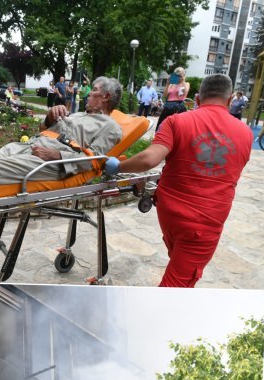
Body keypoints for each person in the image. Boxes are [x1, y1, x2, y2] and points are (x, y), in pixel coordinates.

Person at [105, 74, 253, 287]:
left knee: (177, 260)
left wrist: (119, 166)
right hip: (203, 225)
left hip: (169, 215)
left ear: (197, 99)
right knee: (175, 289)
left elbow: (150, 159)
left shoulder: (176, 121)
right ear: (230, 101)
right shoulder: (245, 134)